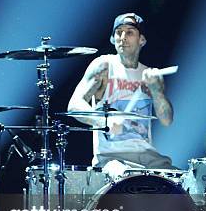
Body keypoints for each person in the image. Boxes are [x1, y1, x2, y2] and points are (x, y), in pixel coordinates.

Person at [67, 13, 174, 169]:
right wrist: (104, 122)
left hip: (147, 157)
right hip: (111, 158)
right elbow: (74, 106)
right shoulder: (104, 66)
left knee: (178, 184)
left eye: (129, 32)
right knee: (124, 182)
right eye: (119, 32)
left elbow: (167, 120)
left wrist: (157, 91)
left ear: (142, 40)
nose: (123, 37)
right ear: (113, 39)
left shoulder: (151, 75)